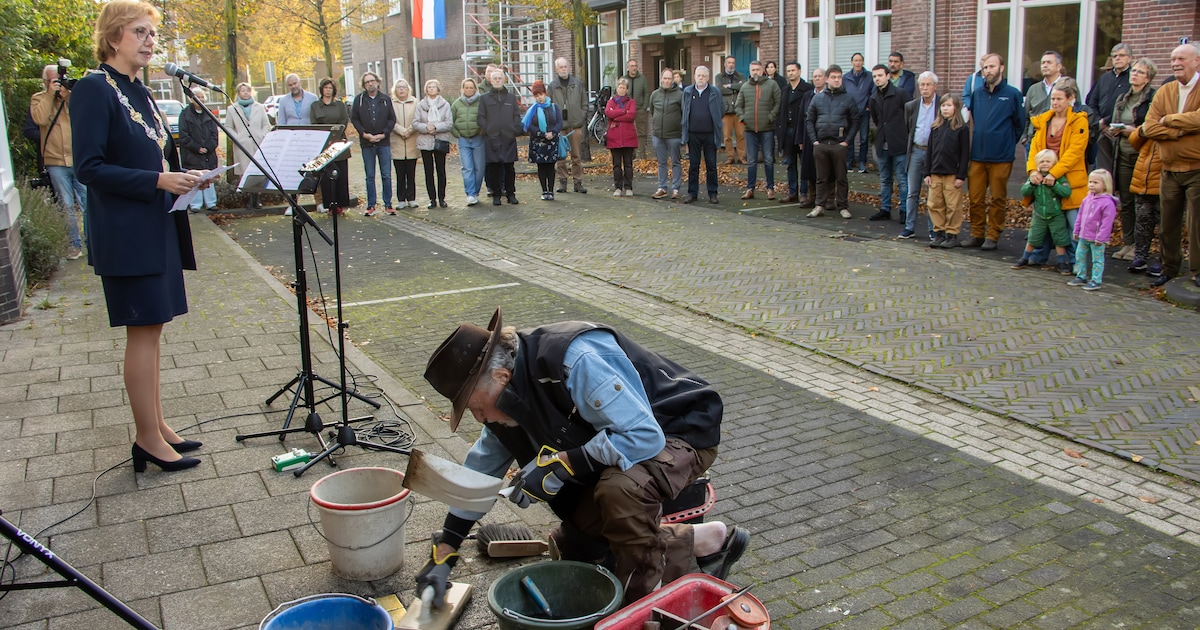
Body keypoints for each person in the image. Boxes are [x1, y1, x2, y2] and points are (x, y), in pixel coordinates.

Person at [417, 307, 748, 609]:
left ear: (502, 378)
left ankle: (639, 604)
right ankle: (704, 542)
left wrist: (564, 463)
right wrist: (445, 550)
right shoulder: (504, 406)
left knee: (620, 490)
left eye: (475, 406)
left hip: (677, 428)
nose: (478, 418)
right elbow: (479, 475)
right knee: (582, 543)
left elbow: (643, 437)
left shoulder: (574, 360)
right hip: (632, 437)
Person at [72, 0, 204, 473]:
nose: (151, 41)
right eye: (140, 32)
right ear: (113, 38)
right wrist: (157, 181)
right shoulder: (92, 90)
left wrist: (181, 175)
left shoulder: (141, 92)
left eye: (153, 33)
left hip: (157, 224)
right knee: (142, 334)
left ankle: (158, 425)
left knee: (155, 328)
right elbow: (89, 168)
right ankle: (147, 438)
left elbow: (152, 157)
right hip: (127, 232)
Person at [1140, 42, 1200, 288]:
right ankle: (1169, 267)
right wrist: (1178, 132)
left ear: (1196, 61)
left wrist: (1170, 120)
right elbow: (1148, 126)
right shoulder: (1165, 91)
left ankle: (1197, 271)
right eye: (1173, 59)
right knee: (1168, 222)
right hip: (1168, 168)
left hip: (1197, 168)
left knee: (1196, 223)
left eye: (1181, 59)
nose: (1175, 63)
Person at [963, 53, 1025, 250]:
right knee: (975, 198)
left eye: (992, 66)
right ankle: (976, 233)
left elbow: (1019, 124)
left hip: (1001, 157)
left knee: (998, 198)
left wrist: (1006, 142)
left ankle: (993, 235)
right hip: (978, 156)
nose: (988, 71)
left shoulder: (1012, 94)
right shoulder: (977, 94)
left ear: (1002, 68)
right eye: (985, 67)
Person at [1025, 80, 1090, 264]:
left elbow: (1075, 152)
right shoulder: (1044, 120)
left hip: (1070, 178)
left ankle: (1077, 262)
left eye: (1059, 99)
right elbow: (1034, 149)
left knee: (1072, 224)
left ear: (1071, 99)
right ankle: (1038, 257)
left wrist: (1054, 173)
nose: (1055, 103)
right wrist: (1032, 171)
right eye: (1053, 98)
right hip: (1045, 179)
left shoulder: (1079, 121)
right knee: (1043, 218)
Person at [30, 63, 85, 258]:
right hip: (55, 161)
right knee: (66, 204)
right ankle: (74, 244)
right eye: (52, 81)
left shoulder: (70, 97)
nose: (57, 84)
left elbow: (83, 116)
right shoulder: (39, 99)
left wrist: (67, 96)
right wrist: (49, 96)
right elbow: (40, 119)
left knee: (88, 201)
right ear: (45, 82)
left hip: (78, 158)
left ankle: (93, 243)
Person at [1106, 58, 1156, 262]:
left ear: (1148, 77)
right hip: (1122, 153)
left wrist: (1131, 131)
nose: (1134, 74)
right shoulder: (1123, 97)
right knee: (1125, 201)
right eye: (1133, 70)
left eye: (1140, 72)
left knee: (1142, 203)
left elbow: (1152, 127)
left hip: (1142, 154)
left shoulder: (1153, 98)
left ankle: (1139, 245)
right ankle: (1128, 243)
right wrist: (1114, 129)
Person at [805, 65, 861, 219]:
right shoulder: (818, 98)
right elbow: (809, 120)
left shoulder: (848, 98)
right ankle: (819, 205)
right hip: (821, 144)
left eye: (839, 77)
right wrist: (814, 141)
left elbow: (855, 121)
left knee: (841, 178)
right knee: (821, 178)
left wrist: (847, 141)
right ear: (827, 79)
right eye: (834, 77)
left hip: (839, 145)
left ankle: (843, 206)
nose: (837, 80)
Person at [1125, 59, 1163, 276]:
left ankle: (1162, 260)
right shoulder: (1147, 126)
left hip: (1162, 174)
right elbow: (1136, 140)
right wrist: (1141, 131)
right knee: (1143, 217)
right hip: (1143, 170)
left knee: (1164, 220)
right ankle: (1140, 256)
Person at [1011, 150, 1073, 274]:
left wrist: (1054, 184)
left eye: (1048, 161)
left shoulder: (1059, 178)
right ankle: (1024, 258)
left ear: (1054, 163)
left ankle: (1061, 262)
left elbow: (1066, 192)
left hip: (1056, 215)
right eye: (1042, 161)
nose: (1045, 164)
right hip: (1039, 215)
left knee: (1059, 239)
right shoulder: (1034, 177)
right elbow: (1024, 191)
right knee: (1033, 237)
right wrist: (1032, 185)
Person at [922, 94, 970, 249]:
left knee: (953, 206)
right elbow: (929, 151)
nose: (945, 109)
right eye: (943, 106)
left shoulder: (961, 129)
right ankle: (939, 232)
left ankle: (951, 234)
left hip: (952, 174)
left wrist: (961, 175)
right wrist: (927, 172)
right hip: (936, 173)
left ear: (955, 107)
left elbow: (964, 154)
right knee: (934, 204)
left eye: (949, 105)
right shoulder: (935, 128)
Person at [867, 64, 913, 223]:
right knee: (885, 178)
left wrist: (902, 134)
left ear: (888, 76)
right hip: (883, 144)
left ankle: (905, 210)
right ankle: (885, 208)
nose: (877, 79)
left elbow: (910, 116)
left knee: (902, 179)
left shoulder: (901, 94)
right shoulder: (873, 98)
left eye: (880, 75)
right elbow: (876, 120)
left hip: (899, 143)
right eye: (874, 76)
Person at [350, 72, 396, 216]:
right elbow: (355, 119)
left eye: (372, 81)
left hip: (383, 143)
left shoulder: (386, 99)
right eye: (367, 82)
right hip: (367, 143)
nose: (370, 84)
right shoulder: (359, 100)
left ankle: (388, 204)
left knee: (386, 175)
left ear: (377, 82)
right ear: (363, 85)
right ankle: (371, 205)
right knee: (370, 175)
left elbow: (391, 119)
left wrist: (384, 133)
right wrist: (364, 134)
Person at [735, 60, 781, 200]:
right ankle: (750, 189)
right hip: (749, 130)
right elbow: (738, 105)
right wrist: (743, 118)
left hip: (767, 128)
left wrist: (770, 117)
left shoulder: (772, 85)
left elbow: (778, 103)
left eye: (757, 69)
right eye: (753, 70)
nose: (755, 72)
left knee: (768, 159)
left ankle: (770, 188)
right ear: (750, 71)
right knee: (752, 161)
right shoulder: (745, 87)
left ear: (762, 70)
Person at [1067, 169, 1119, 290]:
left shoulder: (1108, 203)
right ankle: (1081, 276)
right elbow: (1080, 215)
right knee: (1079, 255)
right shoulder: (1087, 199)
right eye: (1090, 182)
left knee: (1097, 260)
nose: (1091, 185)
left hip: (1096, 238)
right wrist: (1076, 230)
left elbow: (1107, 223)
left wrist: (1101, 237)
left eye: (1096, 182)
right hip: (1083, 235)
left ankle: (1096, 280)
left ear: (1105, 185)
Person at [681, 66, 724, 204]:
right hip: (693, 134)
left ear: (708, 77)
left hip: (710, 134)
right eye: (698, 75)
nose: (701, 78)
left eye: (703, 76)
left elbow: (721, 109)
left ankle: (713, 193)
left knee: (711, 165)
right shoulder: (688, 91)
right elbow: (684, 109)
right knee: (693, 165)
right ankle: (692, 193)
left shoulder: (714, 92)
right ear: (694, 76)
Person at [1087, 43, 1133, 171]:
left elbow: (1129, 104)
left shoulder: (1132, 78)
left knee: (1120, 170)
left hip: (1122, 130)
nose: (1117, 58)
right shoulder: (1104, 78)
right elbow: (1091, 101)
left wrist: (1107, 121)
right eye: (1114, 56)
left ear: (1129, 58)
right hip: (1102, 130)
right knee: (1102, 169)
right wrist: (1099, 122)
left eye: (1121, 55)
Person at [480, 67, 522, 206]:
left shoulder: (511, 97)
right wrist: (488, 130)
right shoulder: (484, 98)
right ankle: (496, 195)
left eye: (500, 78)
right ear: (490, 80)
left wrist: (514, 129)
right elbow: (481, 117)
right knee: (494, 168)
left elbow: (516, 114)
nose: (498, 80)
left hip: (508, 138)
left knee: (509, 168)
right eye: (495, 78)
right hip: (492, 139)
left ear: (504, 79)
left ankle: (511, 194)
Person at [226, 82, 271, 211]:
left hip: (258, 143)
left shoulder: (259, 107)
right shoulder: (232, 109)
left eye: (247, 90)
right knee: (246, 172)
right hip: (243, 144)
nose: (245, 93)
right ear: (238, 93)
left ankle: (257, 198)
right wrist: (237, 137)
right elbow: (228, 126)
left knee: (258, 170)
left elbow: (265, 124)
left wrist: (262, 135)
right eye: (242, 91)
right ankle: (250, 198)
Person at [905, 72, 939, 241]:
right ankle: (909, 227)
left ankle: (933, 229)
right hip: (916, 151)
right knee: (912, 192)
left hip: (934, 153)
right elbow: (908, 128)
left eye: (928, 84)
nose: (925, 88)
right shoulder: (911, 106)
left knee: (932, 193)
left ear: (935, 86)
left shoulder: (941, 105)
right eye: (922, 85)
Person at [309, 77, 351, 213]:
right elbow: (314, 124)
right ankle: (330, 205)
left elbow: (344, 121)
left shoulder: (339, 105)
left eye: (330, 88)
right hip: (323, 146)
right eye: (326, 88)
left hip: (339, 145)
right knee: (326, 178)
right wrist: (326, 139)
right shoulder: (316, 106)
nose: (328, 90)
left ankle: (341, 204)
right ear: (322, 89)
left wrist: (335, 136)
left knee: (341, 174)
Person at [777, 61, 815, 205]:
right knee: (790, 164)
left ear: (799, 71)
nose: (791, 73)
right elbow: (781, 111)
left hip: (801, 132)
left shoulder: (807, 89)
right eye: (788, 71)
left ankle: (804, 193)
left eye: (793, 70)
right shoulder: (785, 90)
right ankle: (793, 192)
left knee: (804, 163)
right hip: (787, 131)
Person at [550, 58, 587, 194]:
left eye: (566, 66)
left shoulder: (577, 84)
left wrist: (581, 116)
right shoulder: (553, 86)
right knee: (561, 156)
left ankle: (578, 182)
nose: (564, 69)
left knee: (576, 155)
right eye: (561, 67)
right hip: (560, 126)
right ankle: (563, 182)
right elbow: (549, 105)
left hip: (575, 125)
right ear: (557, 69)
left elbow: (584, 103)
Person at [415, 79, 452, 209]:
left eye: (433, 87)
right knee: (428, 171)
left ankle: (442, 198)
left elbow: (449, 123)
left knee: (441, 170)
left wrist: (435, 127)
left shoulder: (445, 105)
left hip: (440, 140)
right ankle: (432, 199)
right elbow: (415, 123)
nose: (431, 89)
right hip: (426, 142)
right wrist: (426, 127)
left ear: (438, 89)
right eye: (429, 87)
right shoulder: (421, 105)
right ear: (426, 90)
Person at [179, 87, 218, 213]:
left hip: (208, 153)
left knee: (209, 176)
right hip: (192, 154)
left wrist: (208, 147)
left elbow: (214, 134)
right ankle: (195, 204)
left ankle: (211, 203)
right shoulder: (185, 114)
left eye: (202, 97)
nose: (200, 99)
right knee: (195, 178)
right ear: (191, 98)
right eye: (197, 96)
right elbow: (184, 135)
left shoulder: (209, 113)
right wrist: (197, 148)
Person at [522, 80, 562, 200]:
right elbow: (528, 125)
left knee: (551, 166)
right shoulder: (532, 110)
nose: (539, 98)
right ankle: (544, 190)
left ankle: (551, 190)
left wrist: (553, 132)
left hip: (552, 141)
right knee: (541, 167)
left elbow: (559, 122)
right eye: (537, 95)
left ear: (545, 93)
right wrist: (541, 133)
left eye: (541, 94)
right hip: (538, 142)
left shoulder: (554, 107)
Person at [649, 68, 684, 200]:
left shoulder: (680, 95)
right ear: (661, 79)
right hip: (658, 135)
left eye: (669, 78)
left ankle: (676, 189)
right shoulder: (655, 95)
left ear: (673, 80)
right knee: (661, 162)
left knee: (676, 162)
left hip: (674, 135)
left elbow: (684, 113)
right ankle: (662, 188)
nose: (667, 81)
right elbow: (652, 111)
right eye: (665, 78)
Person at [451, 78, 486, 206]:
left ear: (475, 89)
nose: (469, 90)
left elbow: (486, 117)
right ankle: (470, 194)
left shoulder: (481, 102)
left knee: (479, 167)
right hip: (463, 140)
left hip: (478, 138)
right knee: (467, 168)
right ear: (462, 89)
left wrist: (482, 131)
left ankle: (476, 191)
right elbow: (451, 120)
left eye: (471, 87)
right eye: (467, 87)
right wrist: (457, 133)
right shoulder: (456, 104)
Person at [1023, 51, 1067, 145]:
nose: (1045, 65)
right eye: (1043, 63)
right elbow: (1026, 115)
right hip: (1034, 140)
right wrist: (1025, 136)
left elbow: (1075, 112)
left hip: (1059, 141)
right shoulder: (1033, 89)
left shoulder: (1067, 87)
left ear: (1059, 67)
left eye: (1049, 62)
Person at [606, 77, 639, 197]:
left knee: (628, 164)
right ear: (617, 88)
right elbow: (608, 113)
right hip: (614, 138)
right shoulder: (611, 101)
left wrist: (616, 116)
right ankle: (618, 187)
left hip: (628, 137)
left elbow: (631, 116)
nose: (621, 89)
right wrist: (623, 111)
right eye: (620, 87)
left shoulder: (631, 102)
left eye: (624, 87)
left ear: (627, 89)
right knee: (616, 164)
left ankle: (628, 186)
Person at [391, 79, 419, 211]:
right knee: (400, 174)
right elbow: (390, 120)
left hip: (412, 141)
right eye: (398, 87)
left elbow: (417, 119)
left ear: (408, 89)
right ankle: (401, 199)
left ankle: (412, 198)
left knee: (411, 173)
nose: (401, 89)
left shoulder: (415, 103)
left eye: (403, 87)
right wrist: (402, 131)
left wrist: (409, 130)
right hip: (397, 143)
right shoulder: (391, 103)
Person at [842, 53, 872, 173]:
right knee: (850, 137)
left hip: (864, 111)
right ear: (851, 63)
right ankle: (849, 162)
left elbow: (873, 92)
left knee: (864, 138)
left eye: (860, 60)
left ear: (863, 62)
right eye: (855, 60)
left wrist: (869, 105)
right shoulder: (846, 77)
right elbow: (843, 93)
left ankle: (862, 162)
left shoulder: (869, 77)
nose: (858, 63)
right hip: (850, 112)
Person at [716, 56, 746, 164]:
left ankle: (742, 156)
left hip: (738, 110)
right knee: (727, 136)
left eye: (733, 63)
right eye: (729, 62)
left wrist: (729, 86)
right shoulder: (719, 77)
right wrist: (735, 88)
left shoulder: (740, 76)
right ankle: (730, 156)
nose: (731, 65)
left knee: (741, 135)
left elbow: (743, 87)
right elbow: (720, 89)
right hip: (726, 110)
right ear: (725, 64)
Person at [623, 59, 651, 160]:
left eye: (635, 66)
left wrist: (644, 107)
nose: (634, 68)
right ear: (628, 68)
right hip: (627, 111)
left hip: (640, 109)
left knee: (641, 132)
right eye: (632, 66)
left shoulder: (642, 79)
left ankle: (642, 156)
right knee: (628, 132)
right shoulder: (624, 79)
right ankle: (630, 154)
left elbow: (646, 93)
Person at [960, 54, 988, 124]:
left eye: (986, 60)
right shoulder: (972, 78)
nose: (984, 62)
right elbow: (966, 95)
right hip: (973, 114)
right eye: (982, 59)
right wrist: (972, 107)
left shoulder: (993, 79)